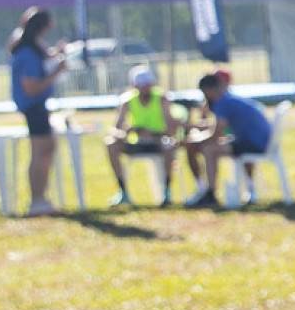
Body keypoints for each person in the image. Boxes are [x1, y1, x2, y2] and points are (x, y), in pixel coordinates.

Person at [6, 8, 68, 215]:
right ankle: (37, 200)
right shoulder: (28, 53)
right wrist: (56, 73)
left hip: (37, 107)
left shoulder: (29, 47)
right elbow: (31, 86)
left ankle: (41, 198)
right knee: (39, 152)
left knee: (46, 149)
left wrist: (56, 54)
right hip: (33, 107)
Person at [183, 70, 271, 209]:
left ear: (209, 90)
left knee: (209, 150)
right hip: (259, 140)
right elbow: (221, 130)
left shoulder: (222, 102)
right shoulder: (228, 99)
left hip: (254, 143)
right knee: (210, 148)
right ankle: (210, 192)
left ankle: (210, 193)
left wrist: (196, 140)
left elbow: (216, 134)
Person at [103, 64, 182, 208]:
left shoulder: (162, 98)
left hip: (158, 141)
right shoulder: (127, 101)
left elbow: (171, 129)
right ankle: (123, 192)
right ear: (135, 86)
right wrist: (127, 132)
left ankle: (167, 192)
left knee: (169, 146)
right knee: (111, 144)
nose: (146, 88)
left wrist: (153, 133)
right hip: (136, 143)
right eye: (142, 85)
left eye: (148, 84)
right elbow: (116, 129)